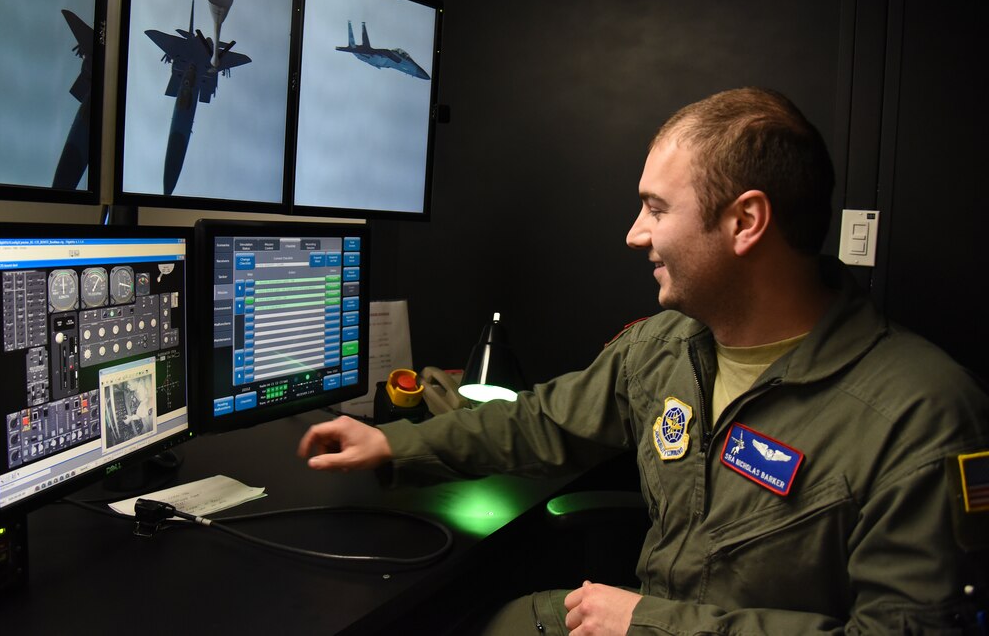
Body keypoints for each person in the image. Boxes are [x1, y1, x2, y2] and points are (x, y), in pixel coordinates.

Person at [298, 88, 989, 634]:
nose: (635, 235)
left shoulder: (922, 416)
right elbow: (538, 423)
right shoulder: (666, 345)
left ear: (745, 222)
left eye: (656, 208)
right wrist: (392, 442)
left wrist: (653, 625)